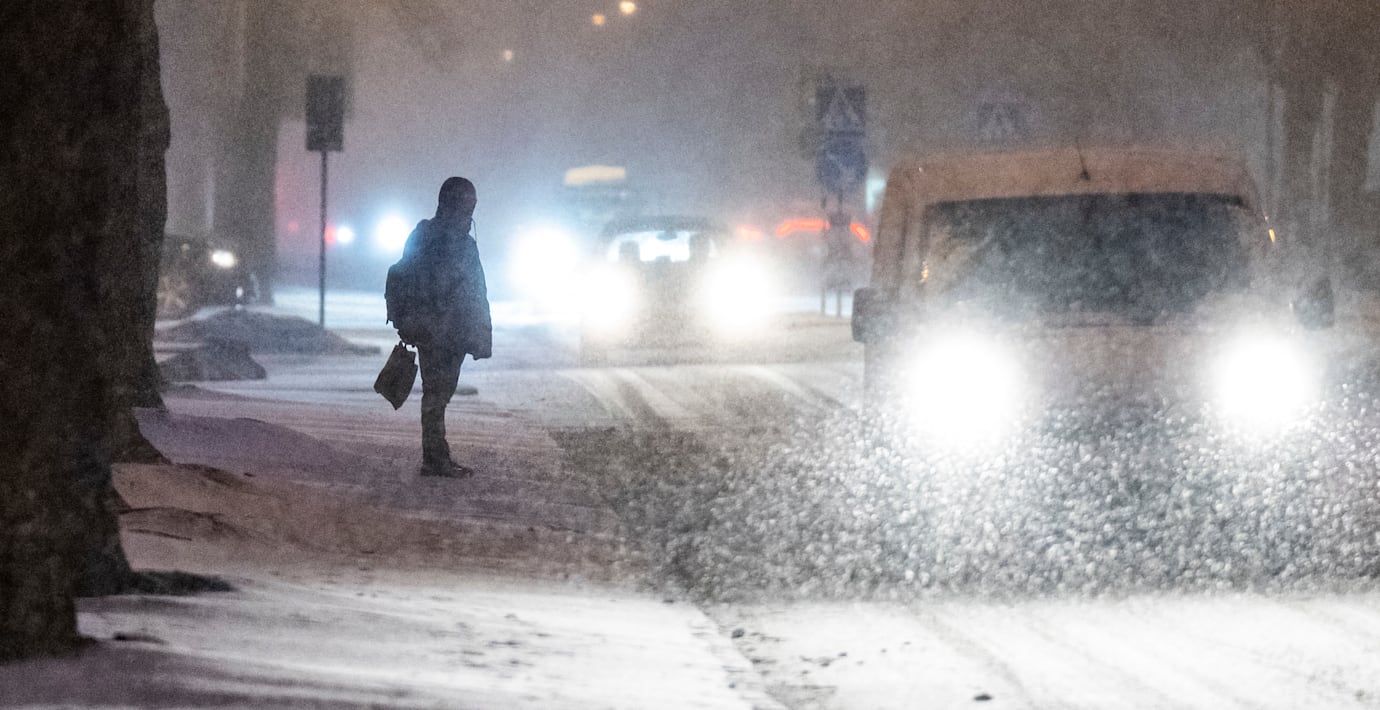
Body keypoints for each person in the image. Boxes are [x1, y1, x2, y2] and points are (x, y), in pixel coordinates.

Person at [394, 177, 492, 477]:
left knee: (436, 394)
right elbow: (475, 292)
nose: (470, 212)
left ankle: (436, 454)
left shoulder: (423, 236)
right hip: (447, 331)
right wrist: (481, 332)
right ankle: (435, 457)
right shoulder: (459, 244)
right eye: (468, 205)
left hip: (431, 328)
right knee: (438, 394)